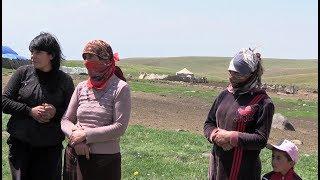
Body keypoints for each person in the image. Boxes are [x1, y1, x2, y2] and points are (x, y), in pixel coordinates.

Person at [2, 32, 75, 180]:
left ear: (52, 55)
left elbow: (73, 112)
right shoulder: (23, 73)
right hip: (20, 144)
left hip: (50, 147)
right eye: (31, 52)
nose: (32, 56)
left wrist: (55, 112)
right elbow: (4, 101)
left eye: (38, 52)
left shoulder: (64, 80)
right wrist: (29, 111)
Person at [61, 40, 131, 180]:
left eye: (91, 57)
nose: (87, 61)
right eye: (84, 57)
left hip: (104, 161)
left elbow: (119, 127)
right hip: (75, 154)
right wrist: (77, 138)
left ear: (105, 59)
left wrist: (85, 135)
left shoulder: (120, 87)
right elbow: (66, 120)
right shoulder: (81, 87)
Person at [203, 48, 275, 180]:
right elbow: (209, 123)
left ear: (251, 75)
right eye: (230, 72)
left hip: (243, 171)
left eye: (237, 74)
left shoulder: (263, 102)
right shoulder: (225, 94)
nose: (232, 76)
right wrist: (215, 136)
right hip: (217, 167)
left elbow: (260, 140)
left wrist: (231, 137)